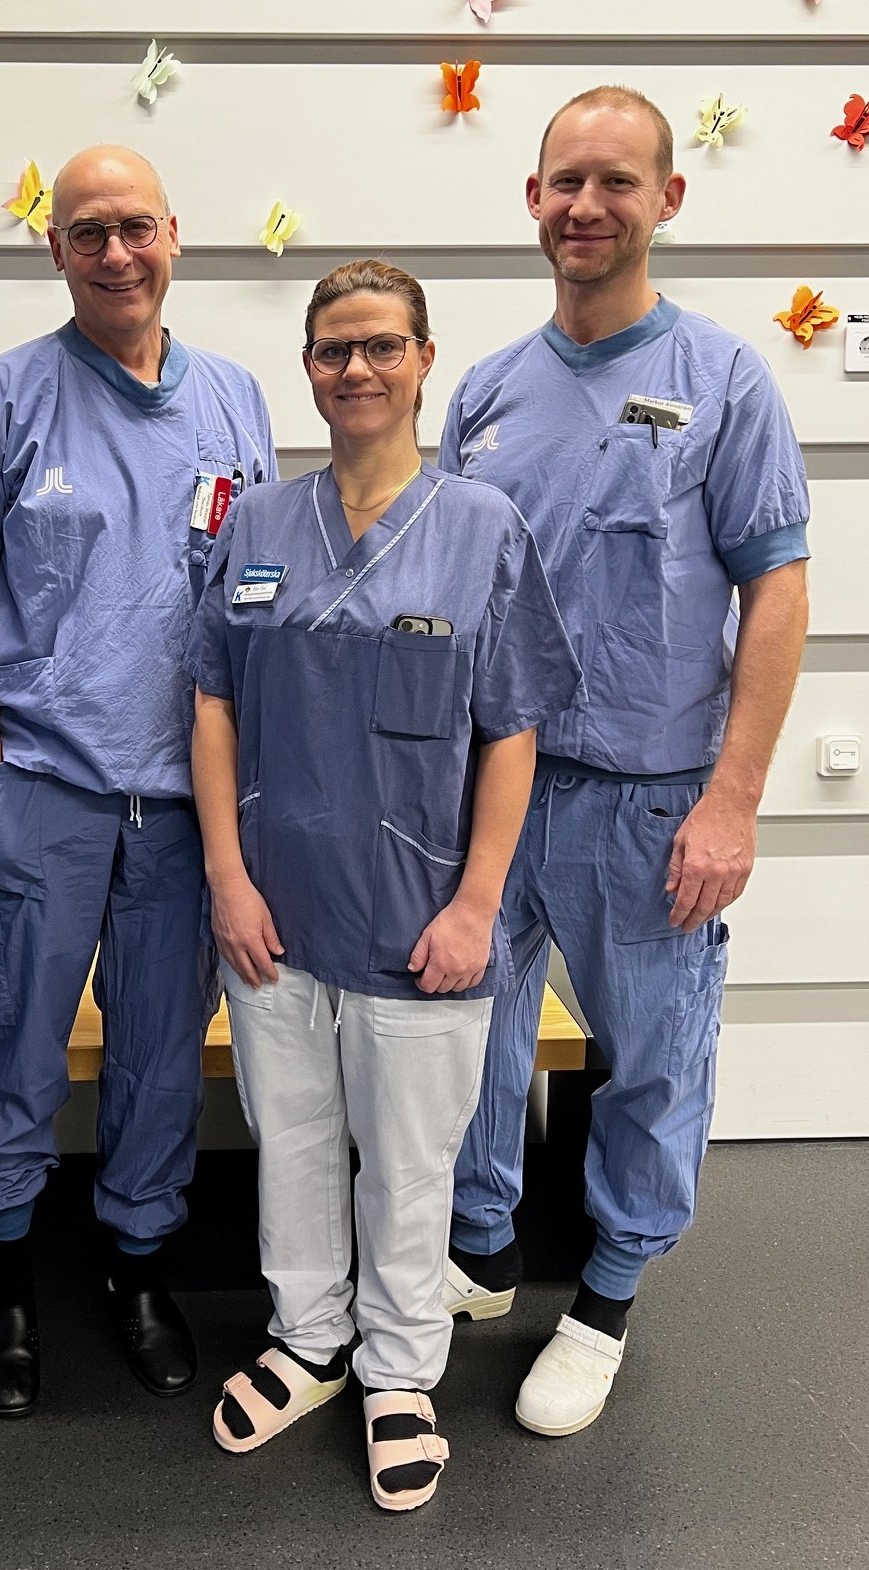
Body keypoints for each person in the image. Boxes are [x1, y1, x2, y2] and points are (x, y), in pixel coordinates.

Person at [440, 87, 810, 1437]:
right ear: (530, 200)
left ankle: (605, 1292)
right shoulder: (481, 395)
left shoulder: (724, 382)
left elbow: (777, 591)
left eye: (616, 182)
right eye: (563, 183)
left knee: (650, 1056)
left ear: (668, 200)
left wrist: (733, 800)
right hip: (498, 788)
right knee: (469, 1034)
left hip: (653, 800)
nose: (586, 206)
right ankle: (481, 1247)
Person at [187, 260, 581, 1511]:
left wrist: (477, 905)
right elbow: (211, 702)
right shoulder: (257, 525)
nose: (354, 369)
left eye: (379, 347)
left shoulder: (481, 528)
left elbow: (511, 729)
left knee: (410, 1162)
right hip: (278, 912)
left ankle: (402, 1369)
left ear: (422, 361)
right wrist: (226, 878)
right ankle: (308, 1337)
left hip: (422, 918)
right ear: (308, 368)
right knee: (292, 1140)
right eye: (331, 349)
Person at [0, 144, 275, 1416]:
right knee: (16, 1045)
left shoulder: (235, 399)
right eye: (89, 233)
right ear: (55, 249)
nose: (117, 252)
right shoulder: (0, 400)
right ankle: (7, 1281)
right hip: (43, 785)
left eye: (136, 227)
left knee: (159, 1057)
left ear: (175, 234)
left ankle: (137, 1266)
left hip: (185, 806)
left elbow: (253, 603)